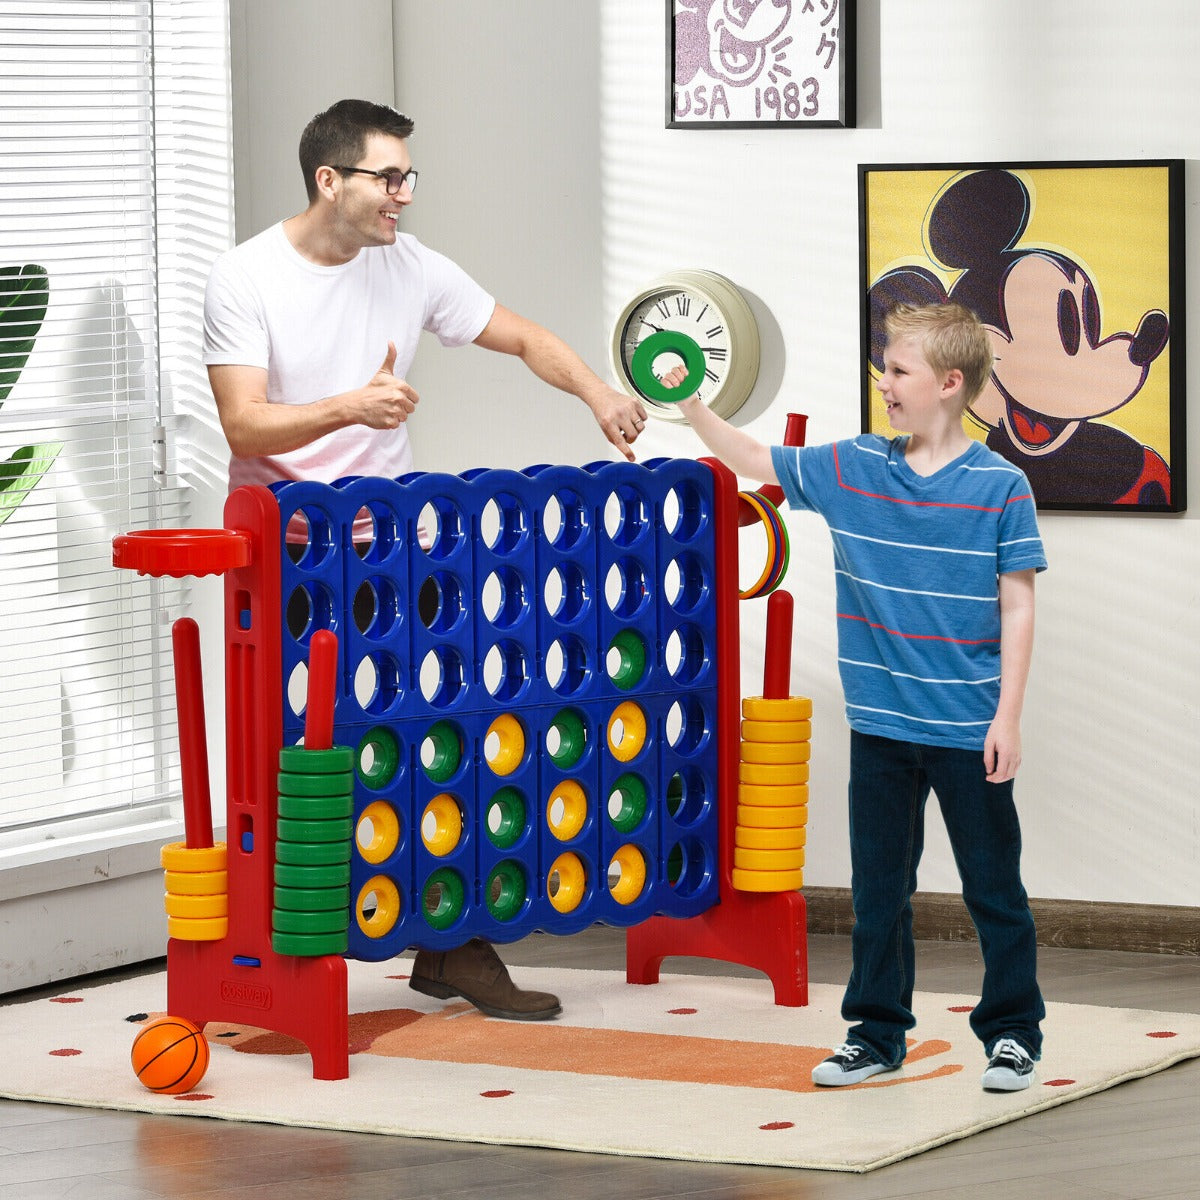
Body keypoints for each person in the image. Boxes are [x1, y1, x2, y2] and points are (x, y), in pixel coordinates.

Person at [202, 98, 651, 1022]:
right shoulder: (246, 278)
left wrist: (598, 394)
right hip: (288, 555)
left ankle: (452, 944)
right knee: (313, 762)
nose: (404, 194)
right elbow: (243, 423)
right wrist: (348, 407)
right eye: (388, 177)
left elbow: (522, 335)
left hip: (396, 549)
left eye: (409, 177)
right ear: (330, 181)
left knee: (433, 740)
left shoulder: (408, 265)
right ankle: (290, 953)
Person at [667, 302, 1047, 1091]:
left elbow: (1018, 602)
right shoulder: (853, 468)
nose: (884, 382)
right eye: (884, 367)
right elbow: (755, 459)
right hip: (879, 728)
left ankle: (1013, 1033)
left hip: (967, 727)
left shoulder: (1001, 486)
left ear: (949, 384)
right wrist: (693, 403)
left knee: (994, 890)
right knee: (880, 893)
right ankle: (876, 1037)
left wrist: (1007, 716)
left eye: (898, 371)